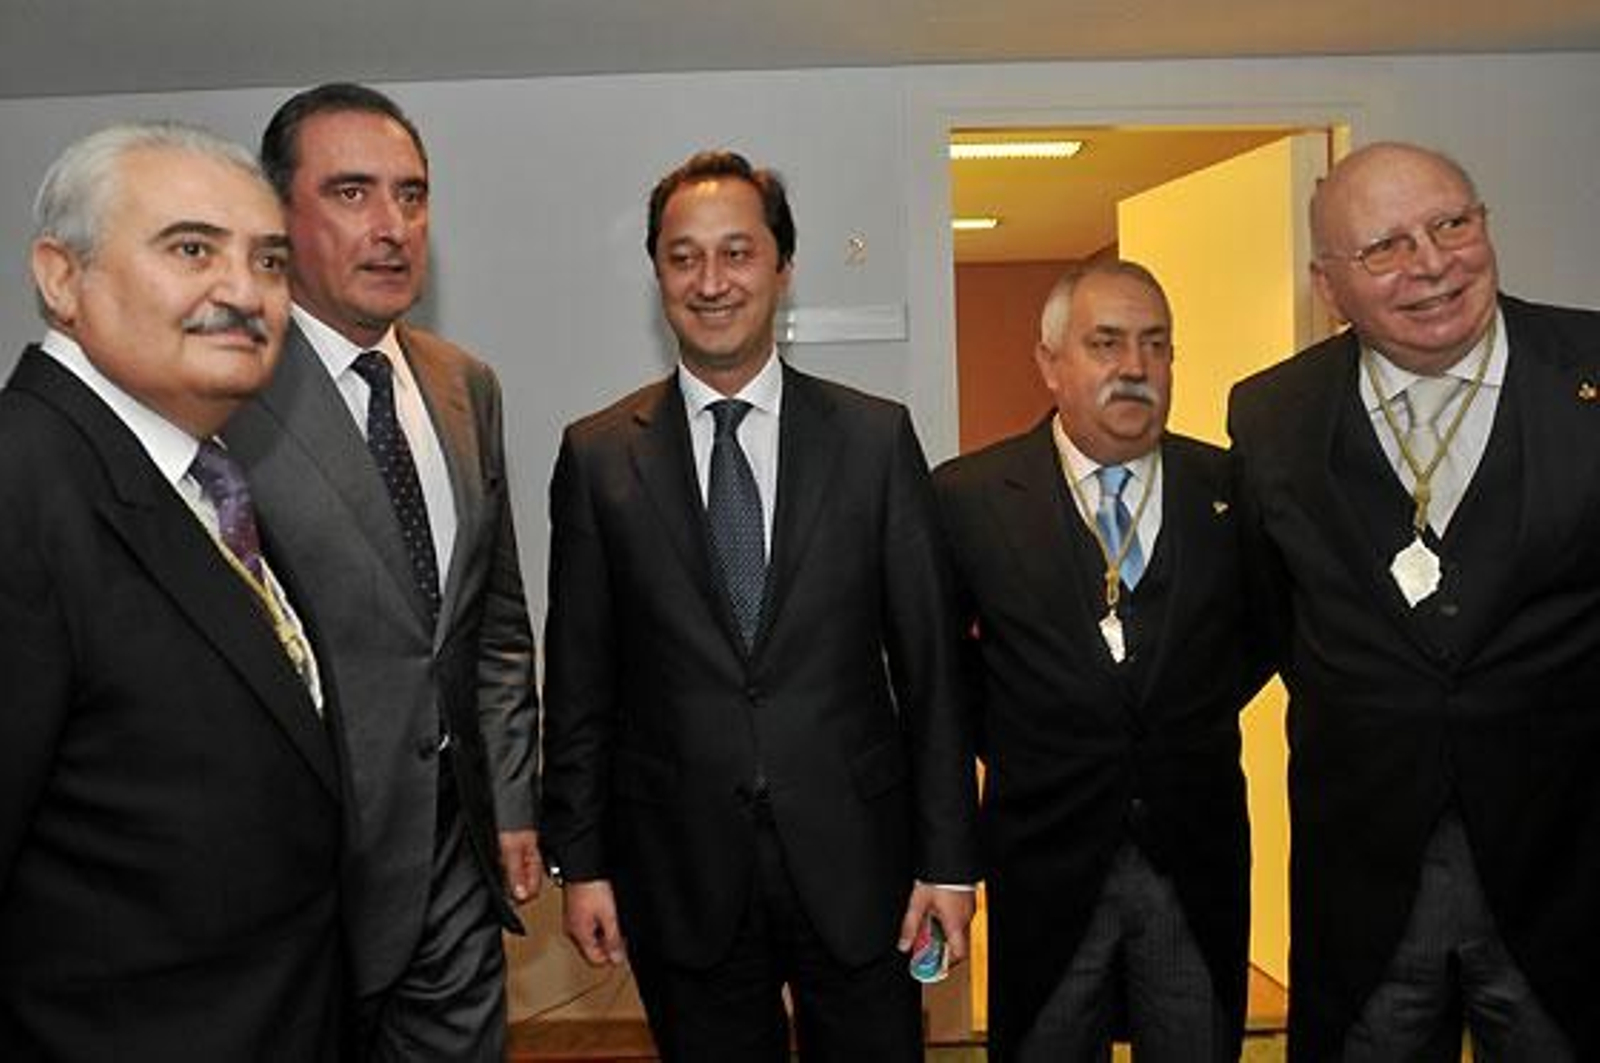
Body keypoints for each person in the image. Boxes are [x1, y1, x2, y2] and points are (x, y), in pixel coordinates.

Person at [539, 149, 980, 1060]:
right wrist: (580, 862)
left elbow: (934, 670)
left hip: (861, 863)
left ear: (783, 267)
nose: (711, 281)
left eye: (737, 252)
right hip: (678, 866)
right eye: (684, 256)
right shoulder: (597, 457)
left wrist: (949, 862)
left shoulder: (874, 439)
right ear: (658, 274)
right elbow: (581, 681)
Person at [1228, 141, 1600, 1061]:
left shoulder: (1590, 365)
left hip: (1573, 863)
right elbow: (1273, 617)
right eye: (1385, 247)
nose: (1431, 263)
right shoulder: (1272, 415)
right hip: (1368, 874)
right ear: (1329, 286)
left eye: (1451, 224)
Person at [0, 122, 340, 1058]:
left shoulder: (202, 478)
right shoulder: (21, 486)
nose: (244, 292)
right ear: (61, 277)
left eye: (269, 260)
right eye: (192, 249)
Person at [223, 83, 539, 1061]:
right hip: (298, 871)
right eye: (352, 192)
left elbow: (492, 621)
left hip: (455, 856)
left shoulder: (464, 384)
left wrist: (512, 800)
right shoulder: (225, 386)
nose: (392, 226)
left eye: (412, 194)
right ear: (278, 214)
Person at [934, 260, 1269, 1061]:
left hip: (1195, 859)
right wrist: (1032, 732)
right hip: (1045, 860)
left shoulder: (1231, 490)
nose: (1134, 366)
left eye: (1156, 343)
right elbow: (942, 675)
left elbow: (1265, 635)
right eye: (1106, 343)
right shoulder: (968, 498)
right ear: (1050, 363)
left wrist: (1176, 714)